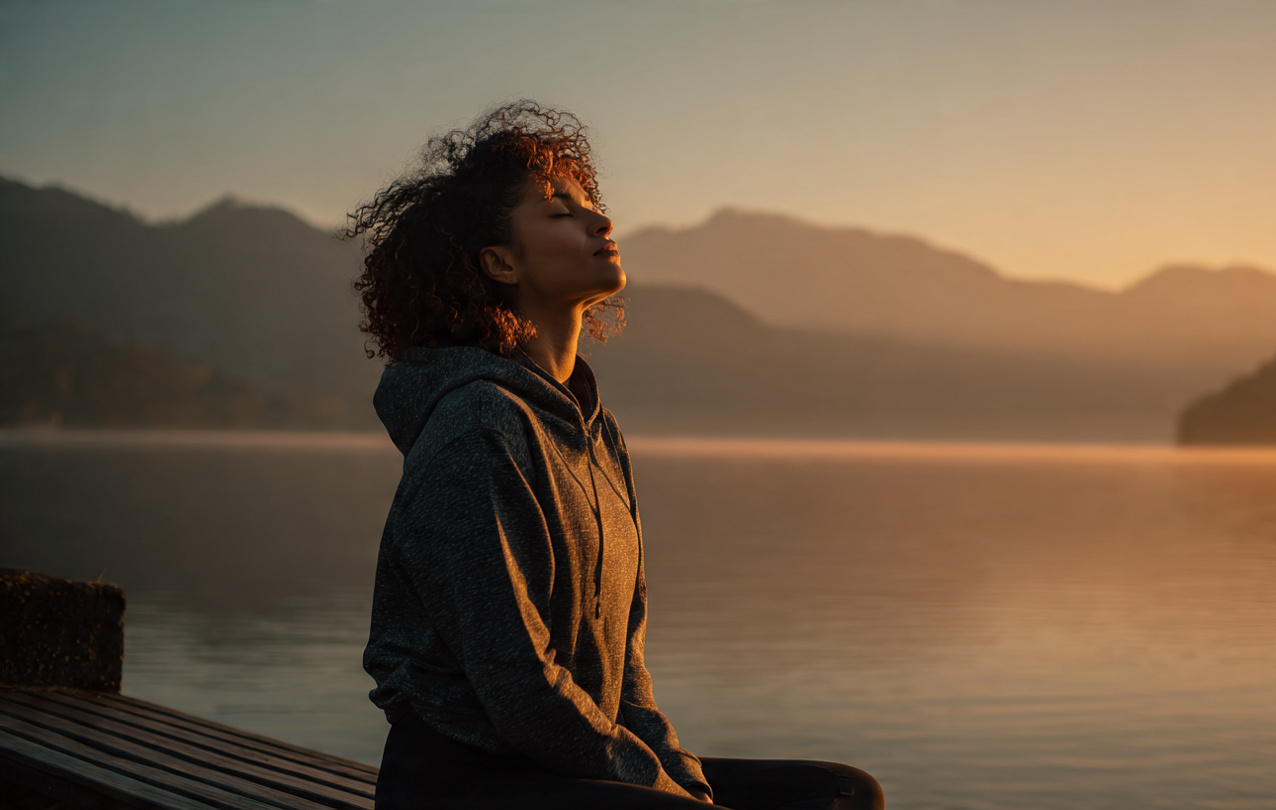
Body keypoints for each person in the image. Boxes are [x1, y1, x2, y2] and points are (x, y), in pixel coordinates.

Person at [348, 100, 884, 810]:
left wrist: (679, 773)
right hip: (467, 782)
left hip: (574, 766)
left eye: (590, 204)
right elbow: (518, 685)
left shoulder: (596, 431)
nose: (601, 221)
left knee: (839, 793)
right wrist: (661, 787)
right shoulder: (478, 427)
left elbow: (624, 666)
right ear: (500, 261)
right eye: (559, 212)